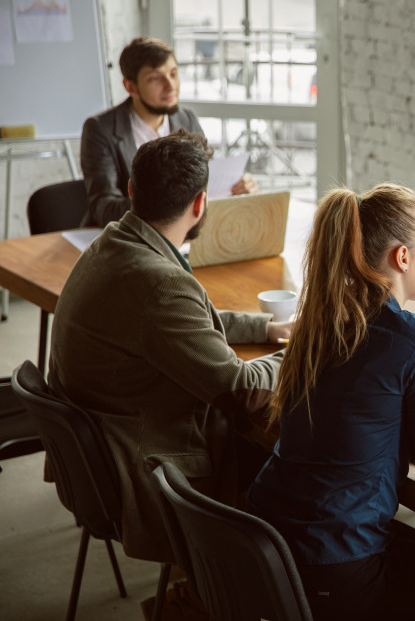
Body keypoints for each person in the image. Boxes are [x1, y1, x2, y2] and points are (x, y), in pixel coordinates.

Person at [48, 131, 290, 618]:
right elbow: (242, 391)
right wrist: (304, 350)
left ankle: (206, 587)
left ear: (132, 190)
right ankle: (212, 593)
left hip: (102, 451)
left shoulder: (115, 242)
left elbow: (181, 318)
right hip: (145, 468)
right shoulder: (160, 283)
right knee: (295, 464)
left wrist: (266, 328)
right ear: (201, 203)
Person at [246, 184, 415, 620]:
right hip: (331, 567)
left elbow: (361, 402)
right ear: (403, 257)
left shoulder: (323, 319)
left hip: (266, 545)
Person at [80, 36, 256, 227]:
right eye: (155, 78)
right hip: (128, 234)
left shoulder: (186, 119)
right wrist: (167, 205)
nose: (170, 86)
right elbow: (103, 207)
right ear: (130, 86)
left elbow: (206, 181)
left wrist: (235, 188)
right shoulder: (101, 129)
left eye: (173, 74)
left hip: (183, 233)